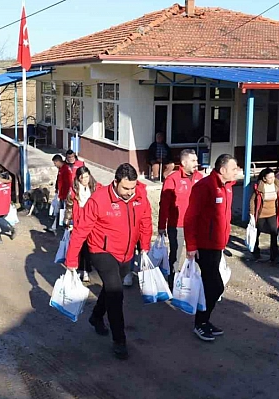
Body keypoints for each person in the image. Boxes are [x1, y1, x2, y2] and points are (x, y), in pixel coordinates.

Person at [65, 163, 152, 360]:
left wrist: (144, 246)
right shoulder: (99, 199)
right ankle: (119, 340)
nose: (130, 192)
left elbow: (146, 221)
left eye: (133, 187)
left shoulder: (140, 196)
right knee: (115, 294)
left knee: (112, 288)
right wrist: (72, 260)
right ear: (115, 182)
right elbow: (81, 230)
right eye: (126, 188)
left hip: (126, 252)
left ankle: (96, 316)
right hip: (101, 251)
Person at [184, 154, 239, 342]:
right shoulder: (205, 186)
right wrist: (191, 245)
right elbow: (190, 217)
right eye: (234, 168)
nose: (236, 171)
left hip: (217, 246)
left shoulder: (228, 187)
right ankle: (200, 323)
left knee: (212, 286)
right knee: (215, 286)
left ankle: (204, 321)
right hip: (204, 246)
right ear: (223, 170)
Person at [158, 149, 203, 287]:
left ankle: (196, 283)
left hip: (197, 225)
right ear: (184, 162)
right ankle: (173, 284)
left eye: (196, 160)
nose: (197, 163)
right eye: (193, 161)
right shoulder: (172, 179)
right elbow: (164, 205)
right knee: (175, 256)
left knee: (200, 256)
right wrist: (161, 226)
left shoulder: (200, 178)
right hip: (177, 225)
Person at [63, 166, 102, 283]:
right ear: (78, 178)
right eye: (82, 178)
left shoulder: (96, 187)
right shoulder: (74, 190)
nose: (85, 180)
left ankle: (90, 267)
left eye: (87, 177)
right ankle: (83, 270)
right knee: (81, 247)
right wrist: (67, 220)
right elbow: (69, 206)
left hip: (93, 221)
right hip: (79, 220)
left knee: (92, 245)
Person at [249, 168, 279, 265]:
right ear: (264, 178)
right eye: (270, 177)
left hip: (273, 214)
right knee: (257, 233)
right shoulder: (259, 187)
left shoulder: (277, 185)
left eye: (273, 176)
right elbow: (252, 201)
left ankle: (275, 257)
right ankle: (255, 251)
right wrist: (251, 213)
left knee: (274, 234)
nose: (272, 179)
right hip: (261, 214)